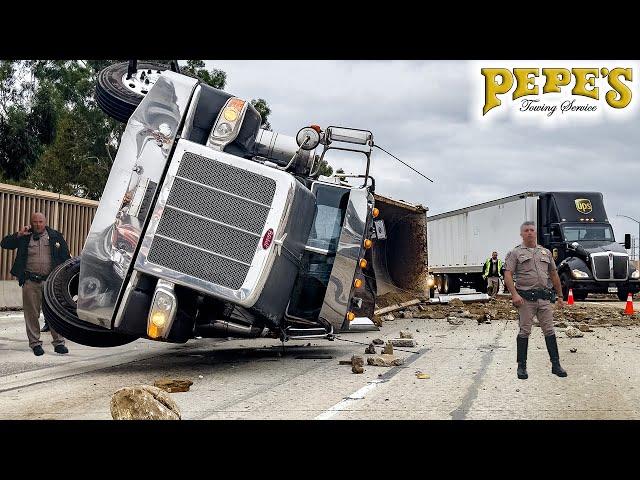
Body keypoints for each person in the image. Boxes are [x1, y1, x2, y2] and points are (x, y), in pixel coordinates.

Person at [1, 212, 70, 356]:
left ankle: (59, 343)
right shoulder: (25, 237)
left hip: (51, 282)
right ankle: (35, 344)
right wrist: (18, 235)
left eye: (40, 222)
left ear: (45, 222)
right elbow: (4, 243)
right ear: (31, 222)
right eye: (35, 222)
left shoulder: (55, 236)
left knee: (54, 313)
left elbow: (65, 256)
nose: (38, 224)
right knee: (32, 314)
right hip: (30, 281)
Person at [504, 221, 566, 380]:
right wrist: (514, 295)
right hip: (525, 300)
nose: (530, 233)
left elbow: (553, 274)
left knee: (550, 331)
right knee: (525, 331)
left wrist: (560, 296)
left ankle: (556, 365)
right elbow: (508, 275)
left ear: (536, 233)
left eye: (532, 230)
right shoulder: (515, 253)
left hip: (544, 298)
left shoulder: (545, 253)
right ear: (521, 234)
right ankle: (521, 366)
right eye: (526, 230)